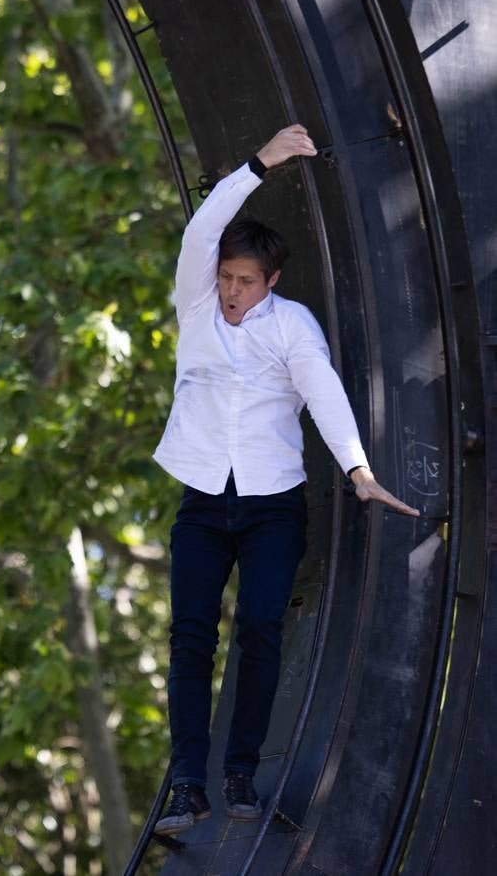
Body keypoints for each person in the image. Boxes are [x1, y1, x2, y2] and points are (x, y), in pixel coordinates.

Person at [151, 125, 418, 837]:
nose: (231, 290)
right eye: (225, 277)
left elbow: (324, 393)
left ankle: (239, 773)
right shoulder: (197, 308)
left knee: (261, 629)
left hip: (272, 506)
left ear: (270, 282)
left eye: (245, 281)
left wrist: (357, 469)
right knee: (188, 637)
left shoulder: (292, 325)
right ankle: (186, 783)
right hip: (203, 502)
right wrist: (259, 163)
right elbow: (202, 229)